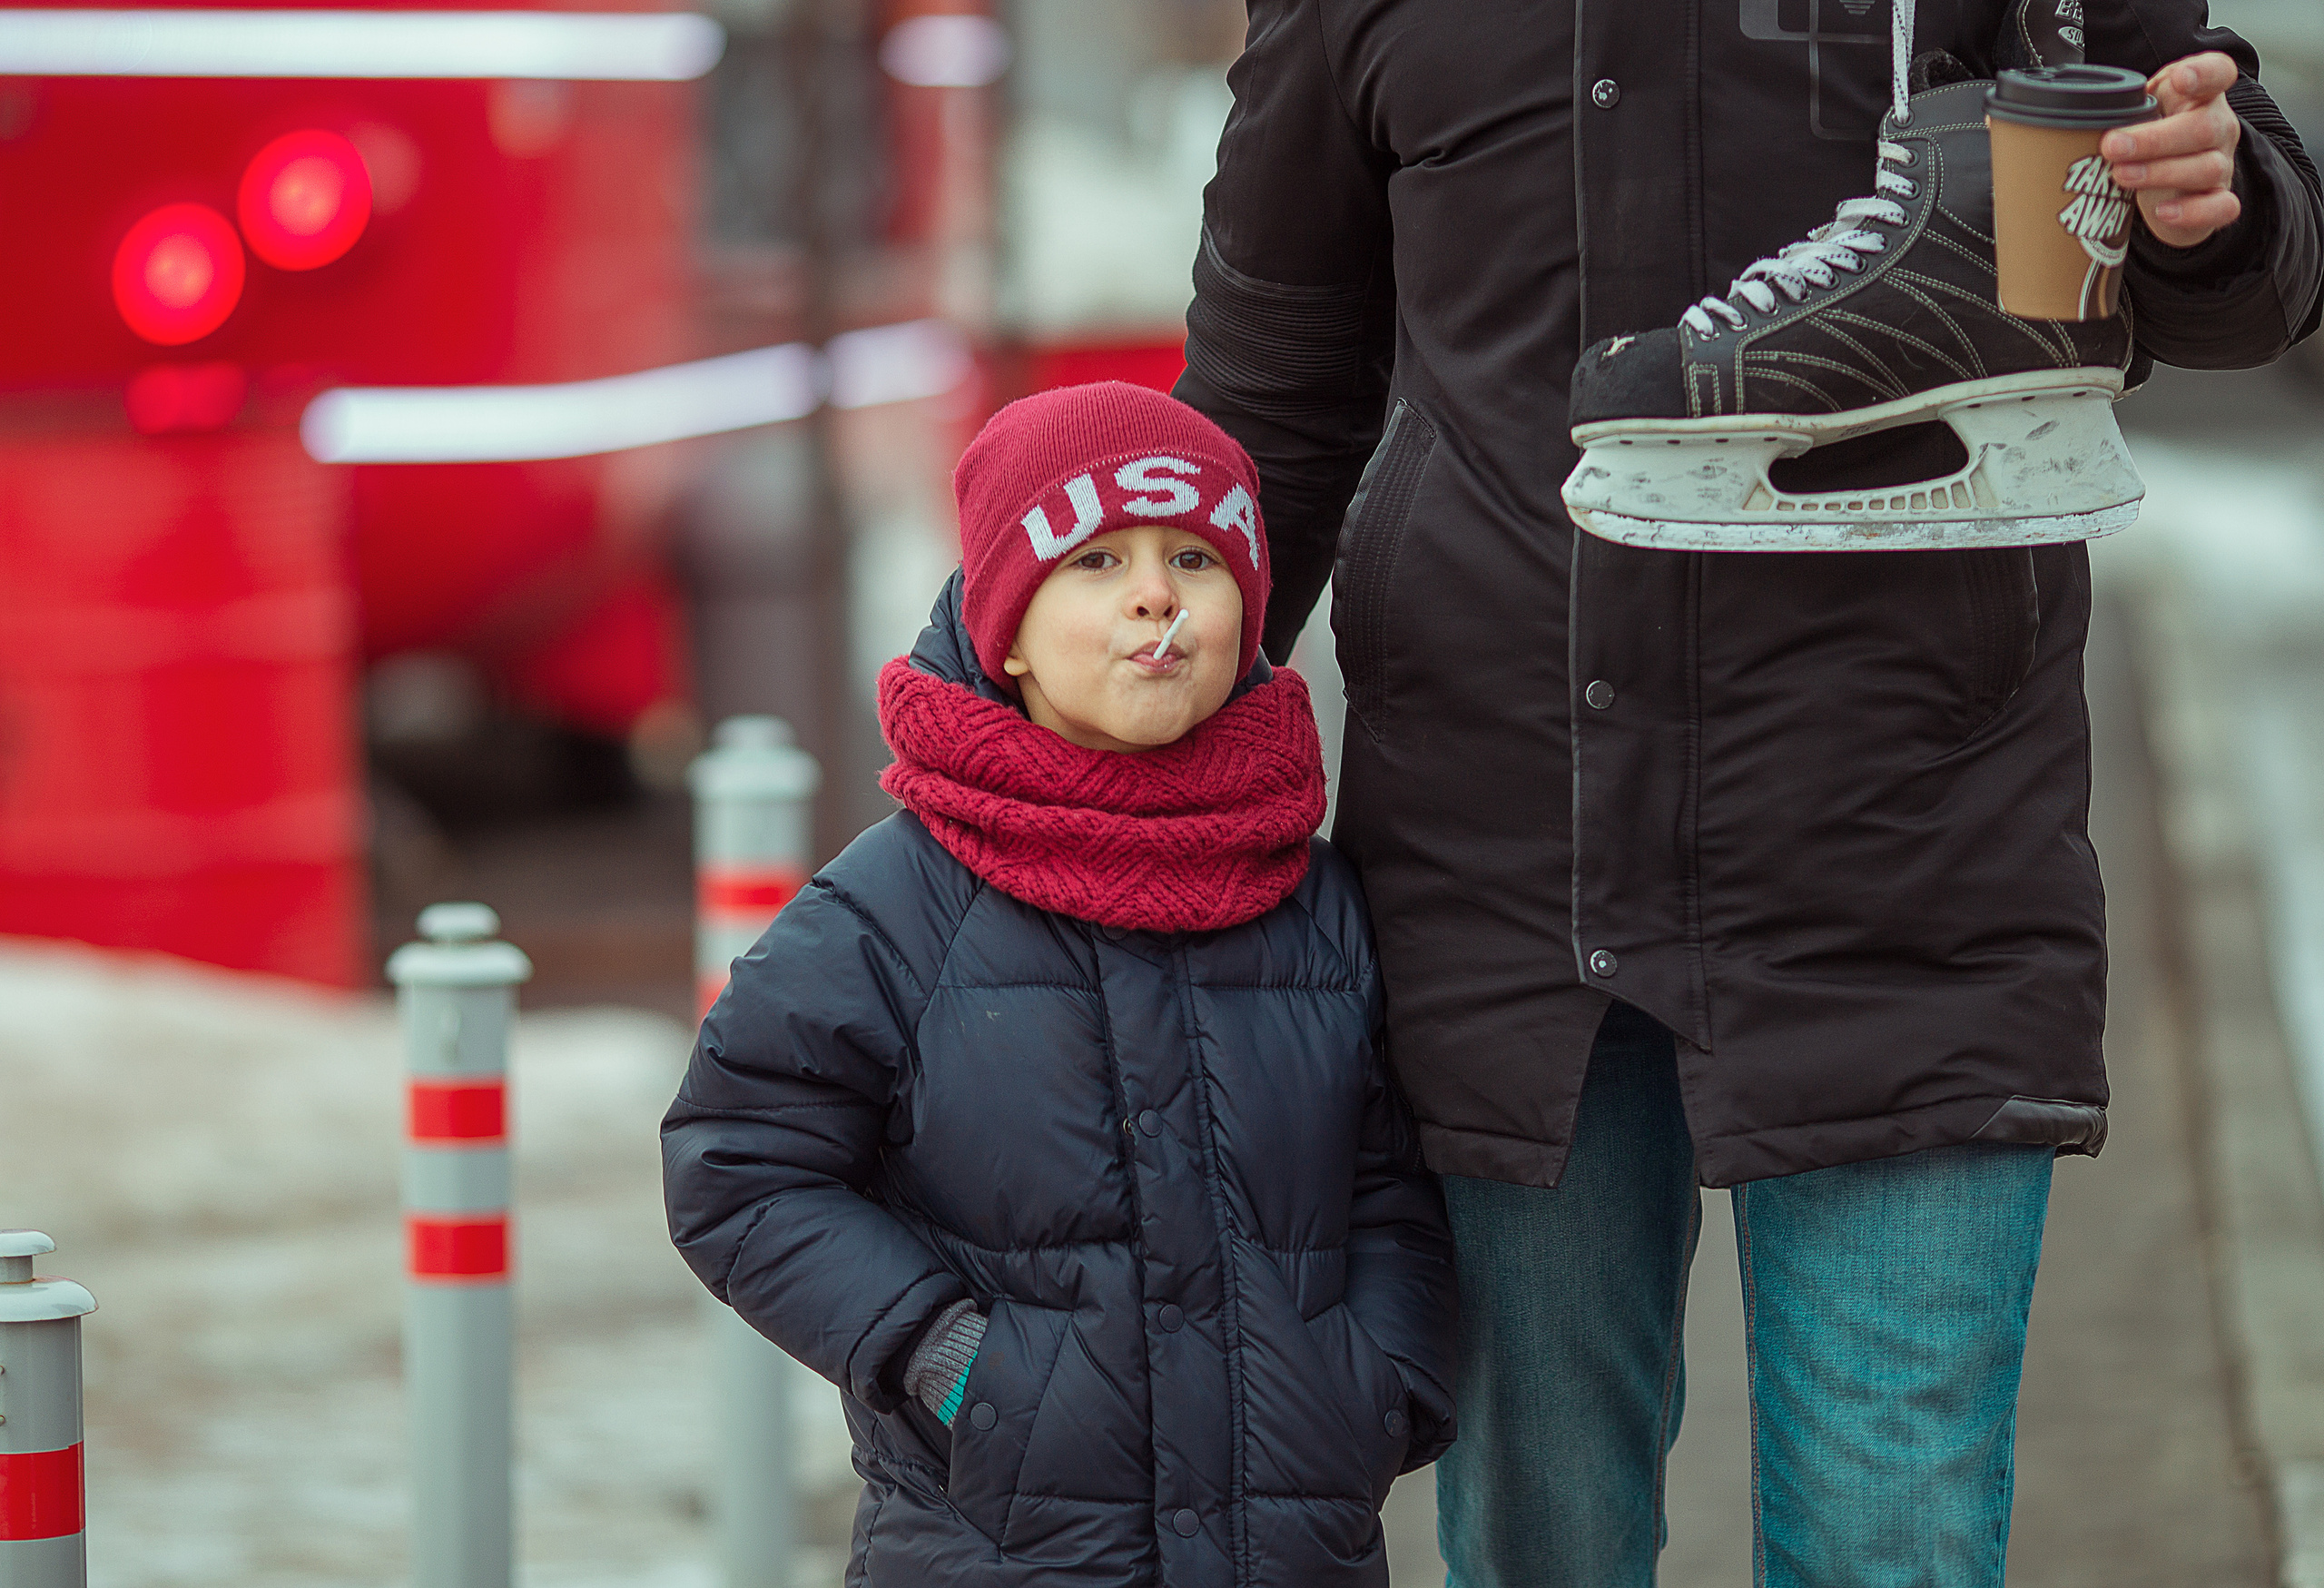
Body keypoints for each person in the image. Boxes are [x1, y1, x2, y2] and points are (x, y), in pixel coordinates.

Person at [1173, 0, 2324, 1583]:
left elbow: (2224, 224)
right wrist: (1127, 759)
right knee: (1537, 1544)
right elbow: (1274, 385)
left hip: (1916, 841)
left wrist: (2218, 204)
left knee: (1888, 1543)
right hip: (1507, 860)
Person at [661, 381, 1459, 1586]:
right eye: (1097, 559)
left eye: (1195, 553)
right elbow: (737, 1157)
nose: (1156, 591)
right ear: (1010, 632)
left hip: (1291, 1544)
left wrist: (1379, 1381)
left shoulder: (1317, 899)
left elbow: (1388, 1180)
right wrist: (945, 1355)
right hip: (1002, 1542)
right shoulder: (895, 909)